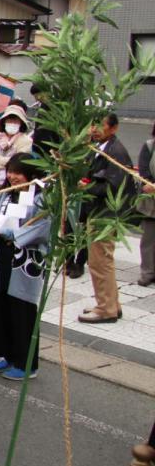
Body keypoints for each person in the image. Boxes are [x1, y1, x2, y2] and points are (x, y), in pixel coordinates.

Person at [0, 155, 49, 381]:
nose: (12, 176)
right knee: (0, 305)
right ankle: (8, 355)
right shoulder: (6, 194)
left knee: (22, 310)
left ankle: (26, 363)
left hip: (24, 259)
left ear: (32, 174)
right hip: (2, 255)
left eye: (17, 172)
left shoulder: (42, 198)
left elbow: (43, 226)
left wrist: (17, 234)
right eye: (10, 171)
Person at [80, 113, 132, 325]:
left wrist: (87, 187)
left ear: (113, 128)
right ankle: (110, 303)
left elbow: (113, 186)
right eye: (93, 125)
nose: (95, 129)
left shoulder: (115, 152)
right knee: (101, 261)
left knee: (100, 261)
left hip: (106, 214)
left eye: (100, 125)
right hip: (98, 212)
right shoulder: (100, 148)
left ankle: (106, 308)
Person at [0, 105, 33, 188]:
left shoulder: (26, 141)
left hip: (9, 183)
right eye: (9, 120)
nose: (12, 123)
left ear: (21, 123)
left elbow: (17, 164)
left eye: (15, 121)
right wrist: (5, 165)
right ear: (4, 122)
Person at [137, 122, 155, 287]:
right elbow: (143, 170)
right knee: (148, 238)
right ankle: (147, 272)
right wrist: (148, 183)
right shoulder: (149, 146)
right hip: (151, 200)